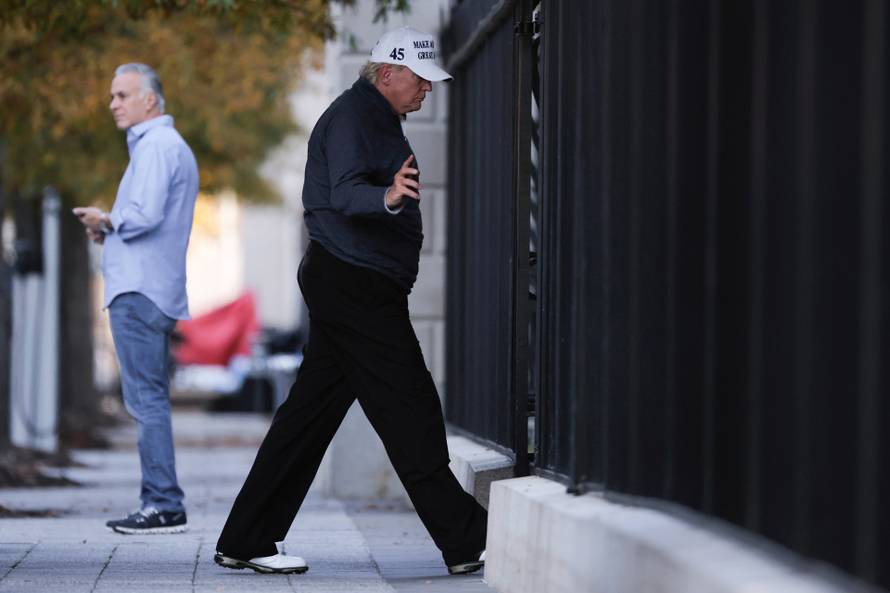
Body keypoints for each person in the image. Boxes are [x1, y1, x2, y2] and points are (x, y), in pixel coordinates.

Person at [214, 27, 487, 576]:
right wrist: (387, 196)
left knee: (308, 417)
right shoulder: (353, 117)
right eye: (419, 79)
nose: (427, 90)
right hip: (355, 285)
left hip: (351, 283)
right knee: (409, 406)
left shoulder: (373, 116)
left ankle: (247, 538)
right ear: (388, 73)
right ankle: (467, 539)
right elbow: (342, 192)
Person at [74, 63, 199, 534]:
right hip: (151, 289)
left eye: (122, 95)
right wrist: (111, 230)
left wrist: (106, 220)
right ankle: (162, 501)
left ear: (150, 100)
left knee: (146, 401)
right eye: (113, 96)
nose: (113, 104)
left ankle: (163, 503)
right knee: (149, 398)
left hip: (139, 292)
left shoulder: (157, 146)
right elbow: (151, 219)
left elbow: (143, 214)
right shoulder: (164, 146)